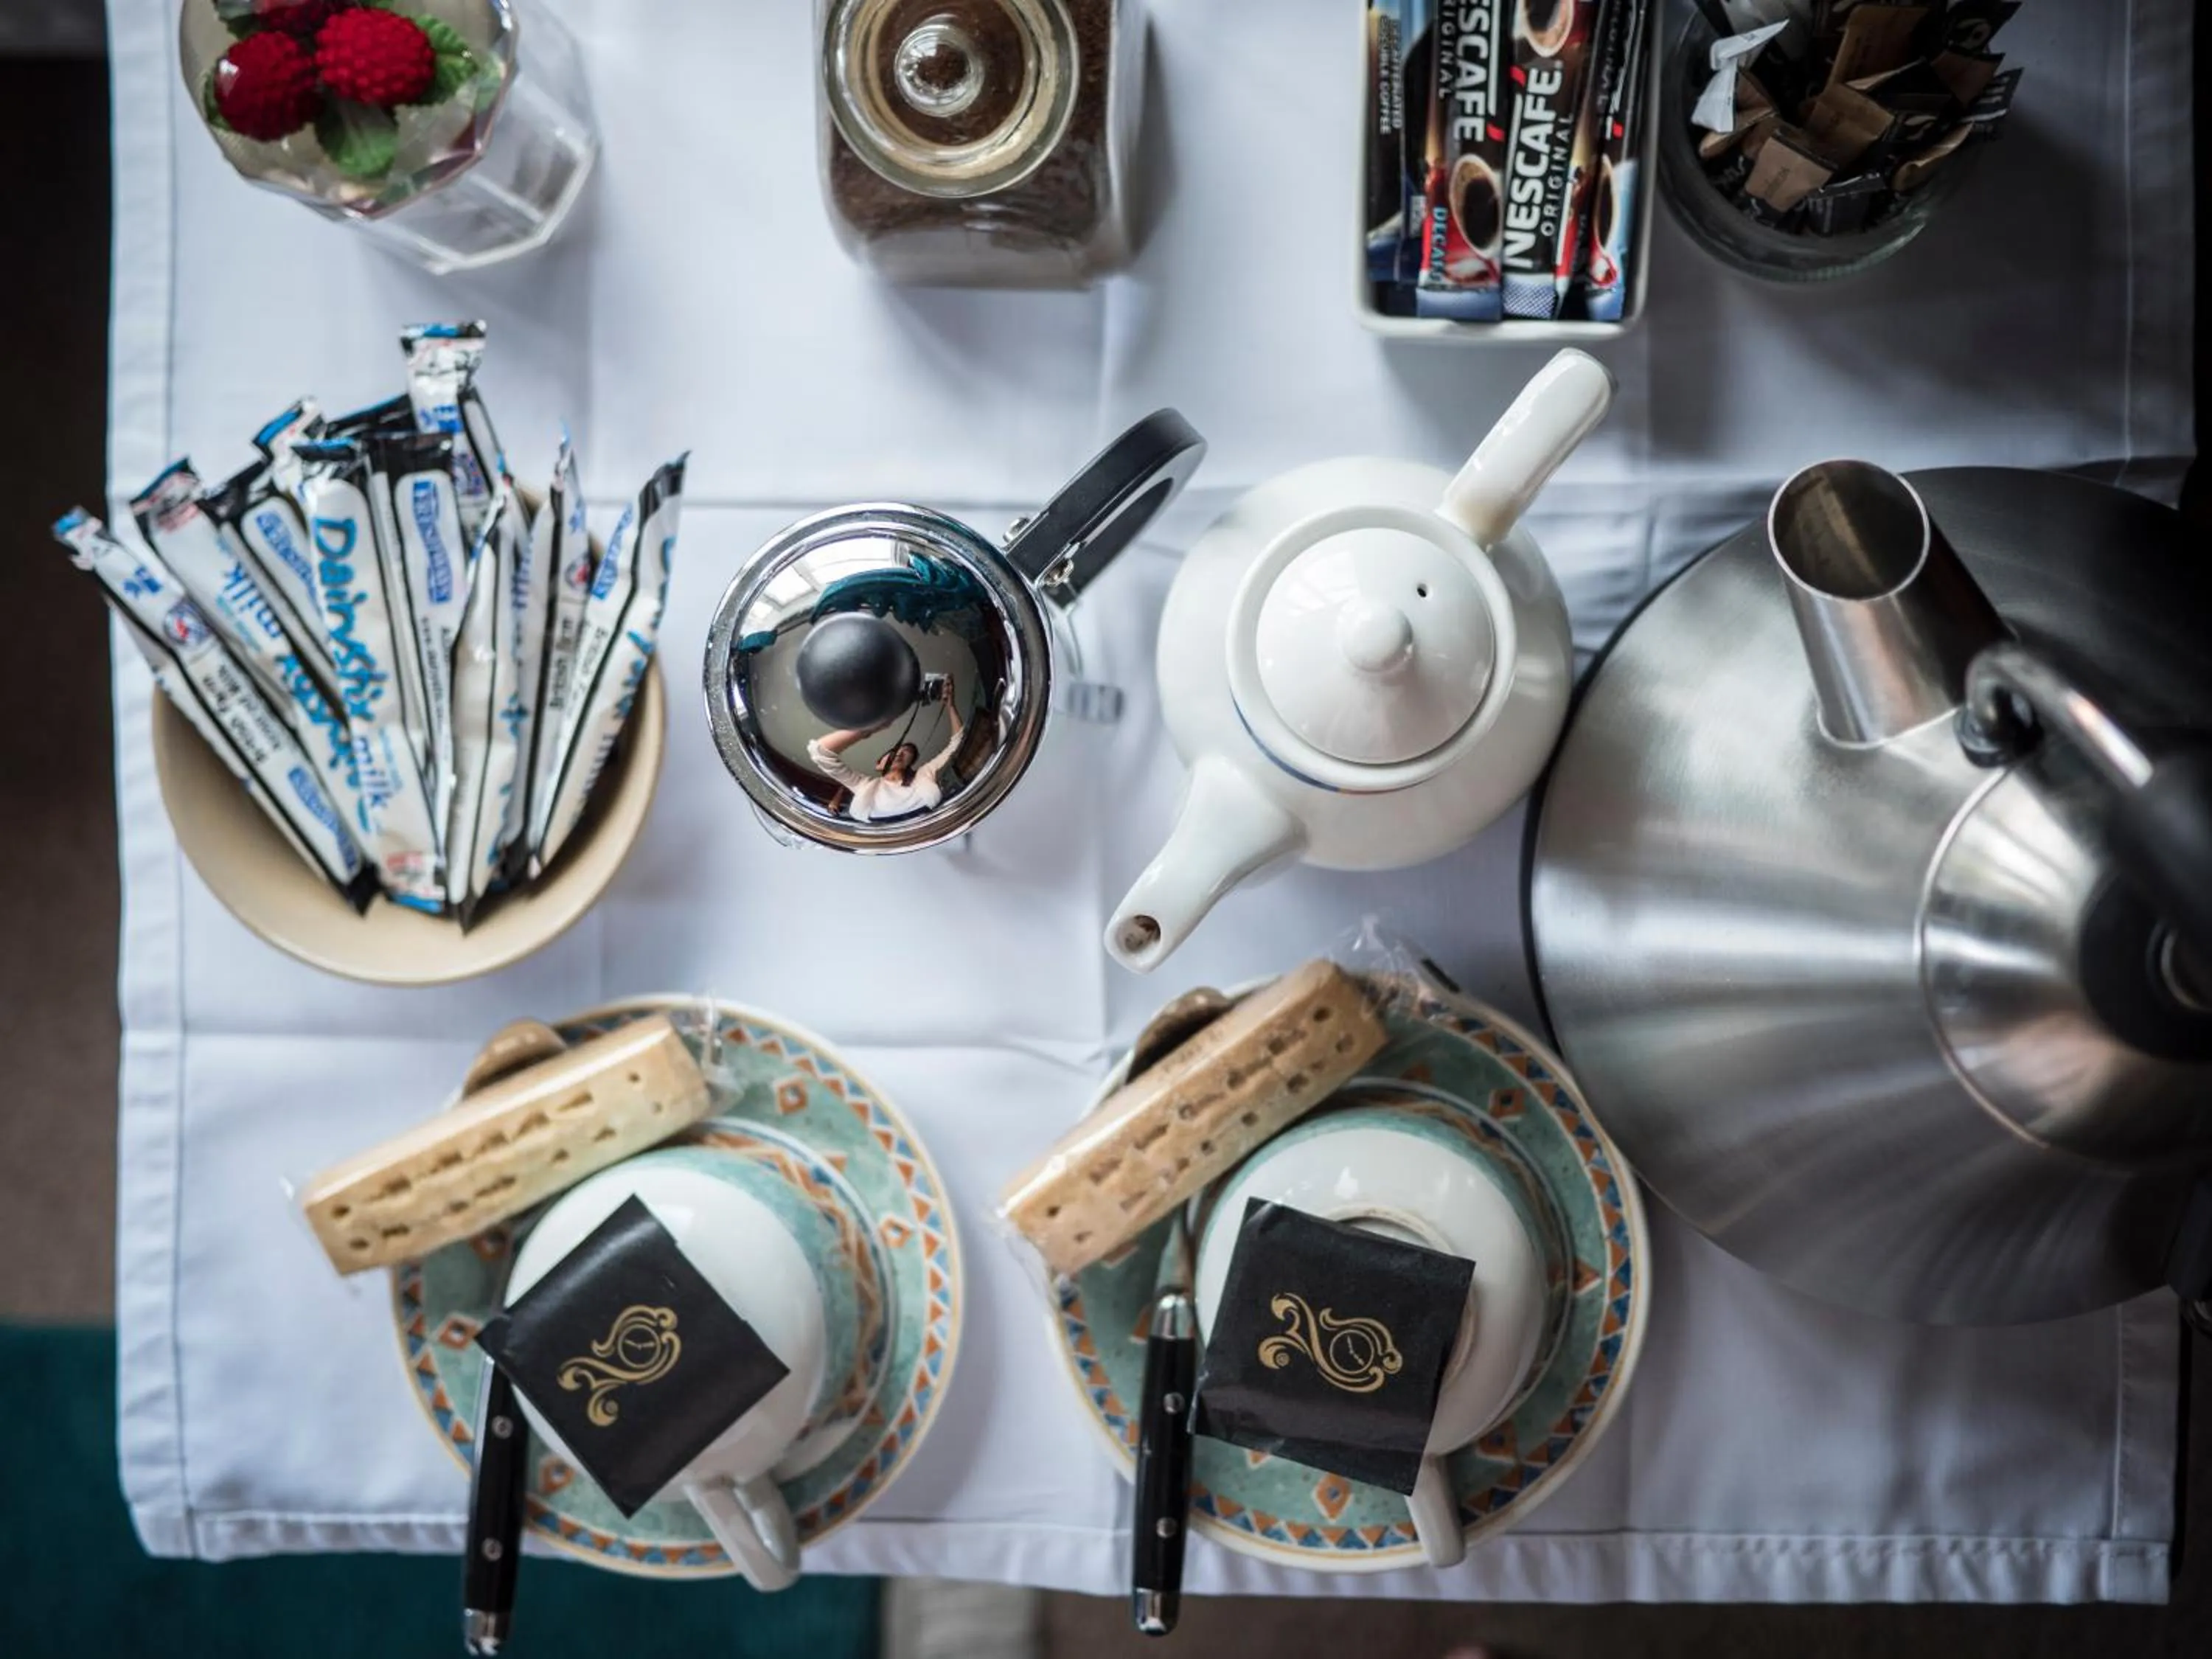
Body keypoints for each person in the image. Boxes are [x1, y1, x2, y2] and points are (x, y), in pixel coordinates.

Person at [805, 676, 966, 822]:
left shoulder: (924, 774)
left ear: (911, 763)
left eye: (908, 751)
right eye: (895, 751)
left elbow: (957, 745)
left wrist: (950, 706)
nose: (900, 753)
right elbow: (819, 751)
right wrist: (871, 727)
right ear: (879, 765)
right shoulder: (863, 785)